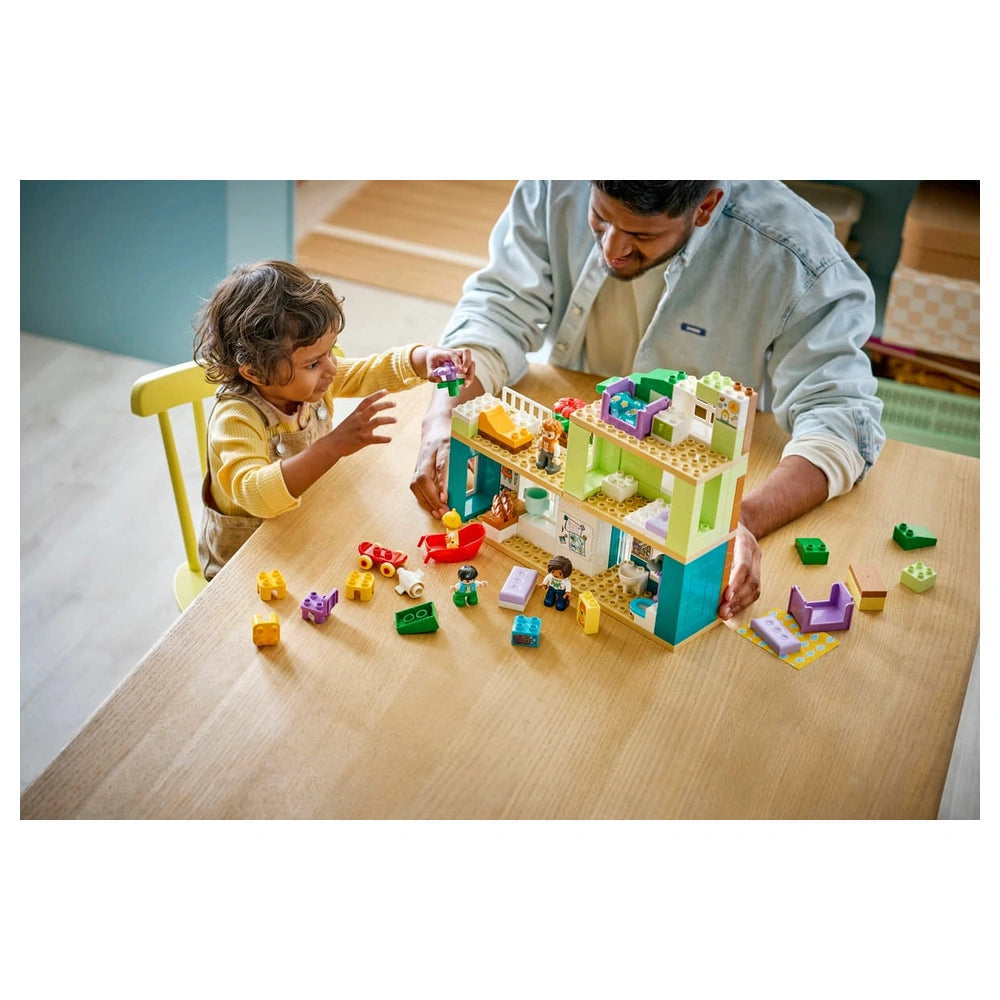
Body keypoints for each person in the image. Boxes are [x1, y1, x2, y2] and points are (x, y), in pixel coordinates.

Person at [409, 181, 885, 621]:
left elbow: (841, 421)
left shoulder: (796, 257)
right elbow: (497, 310)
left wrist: (736, 520)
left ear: (705, 207)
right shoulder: (555, 182)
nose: (611, 249)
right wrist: (443, 416)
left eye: (641, 234)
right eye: (599, 217)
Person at [194, 260, 473, 579]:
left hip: (306, 527)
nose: (331, 368)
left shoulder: (313, 381)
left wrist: (423, 359)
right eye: (313, 364)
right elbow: (256, 494)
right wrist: (333, 446)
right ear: (255, 373)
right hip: (243, 564)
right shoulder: (235, 418)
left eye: (330, 351)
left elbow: (370, 370)